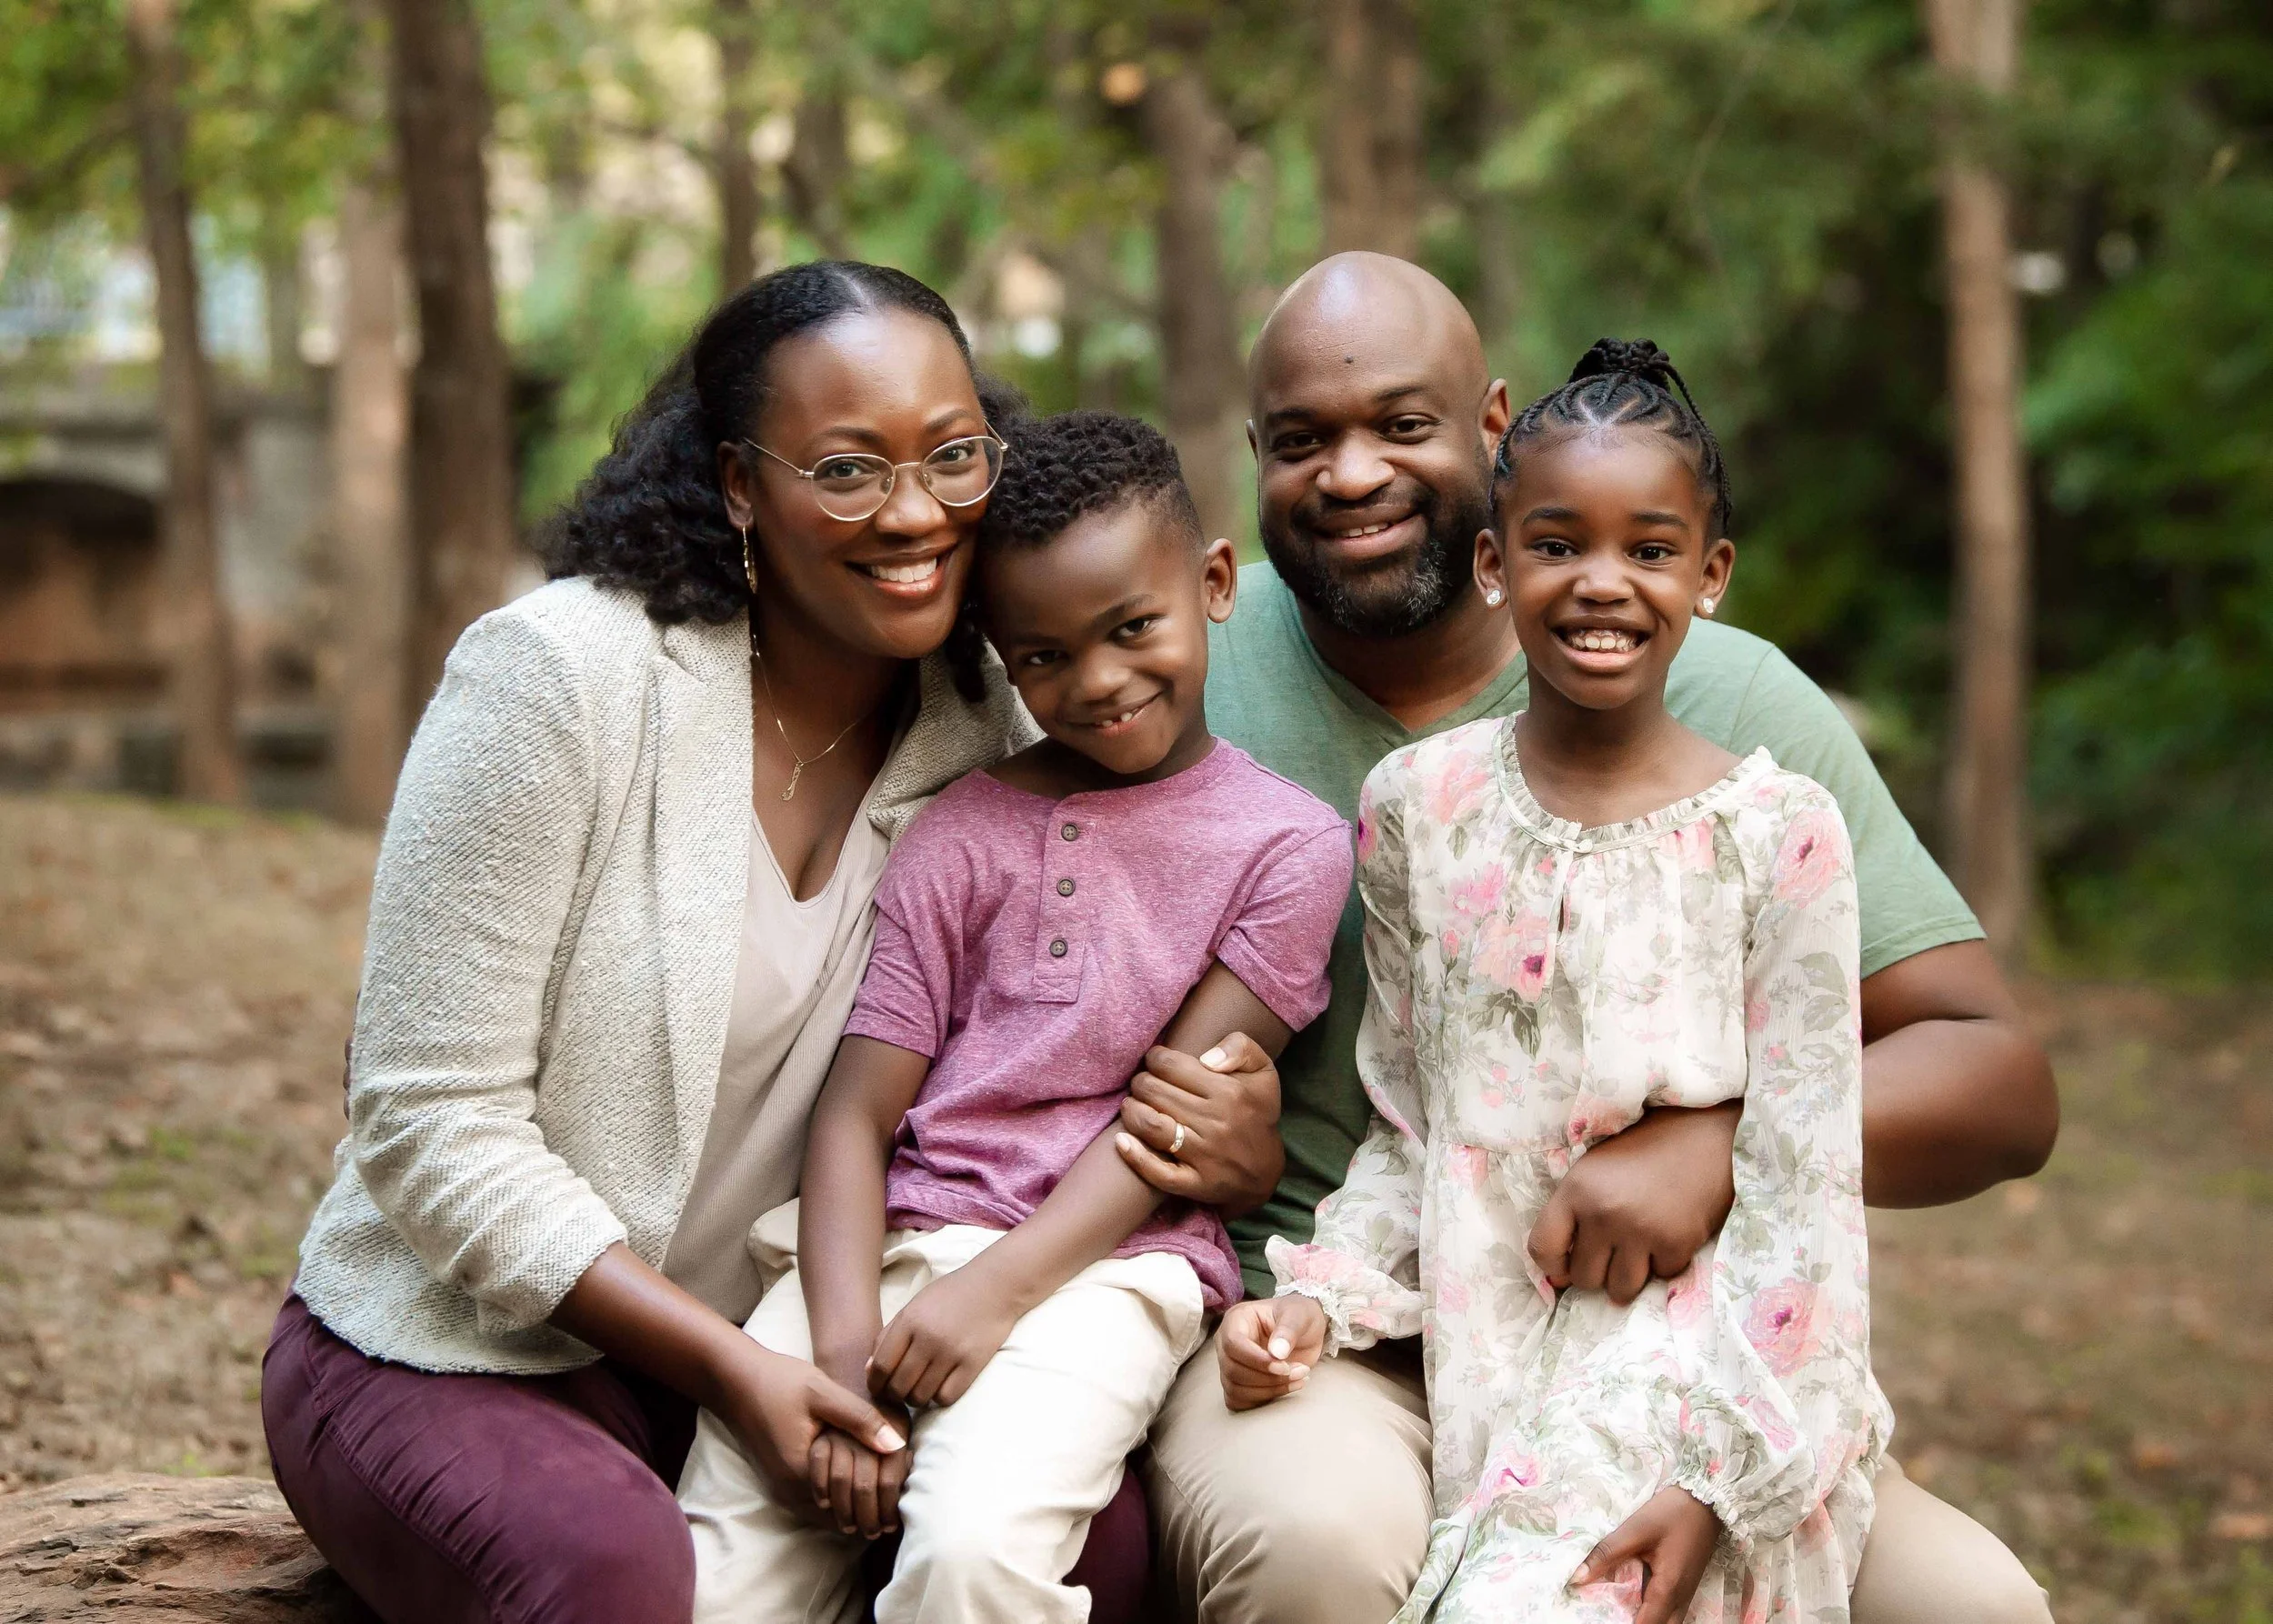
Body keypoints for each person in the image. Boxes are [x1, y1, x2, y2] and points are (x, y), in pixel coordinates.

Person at [260, 265, 1284, 1624]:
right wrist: (741, 1373)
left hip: (816, 1327)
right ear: (742, 484)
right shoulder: (561, 681)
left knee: (1099, 1555)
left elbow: (1081, 1061)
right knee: (616, 1581)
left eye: (951, 456)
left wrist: (1238, 1139)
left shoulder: (1009, 731)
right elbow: (427, 1122)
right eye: (847, 469)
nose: (915, 510)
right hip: (471, 1344)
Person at [1140, 253, 2058, 1624]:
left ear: (1491, 426)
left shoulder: (1737, 723)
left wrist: (1720, 1142)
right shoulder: (1175, 659)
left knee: (1974, 1605)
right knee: (1320, 1545)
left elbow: (1999, 1080)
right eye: (1300, 441)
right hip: (1354, 1336)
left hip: (1680, 1343)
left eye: (1402, 424)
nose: (1348, 476)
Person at [1225, 338, 1889, 1624]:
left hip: (1717, 1387)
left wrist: (1719, 1481)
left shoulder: (1783, 832)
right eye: (1556, 544)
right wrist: (1315, 1302)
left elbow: (1812, 1197)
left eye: (1649, 550)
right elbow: (1417, 1126)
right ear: (1494, 563)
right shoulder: (1420, 806)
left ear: (1712, 575)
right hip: (1494, 1381)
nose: (1603, 585)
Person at [676, 410, 1351, 1624]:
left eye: (1131, 628)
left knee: (973, 1556)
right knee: (716, 1589)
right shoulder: (956, 831)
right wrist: (839, 1362)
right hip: (877, 1258)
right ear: (995, 654)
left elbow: (1169, 1124)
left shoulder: (1287, 846)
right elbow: (852, 1119)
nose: (1095, 682)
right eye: (1042, 656)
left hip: (1106, 1272)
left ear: (1211, 586)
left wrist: (993, 1293)